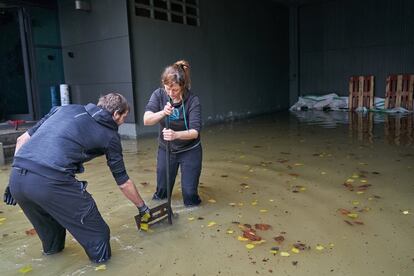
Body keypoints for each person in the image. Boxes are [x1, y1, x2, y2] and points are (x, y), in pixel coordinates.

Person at [3, 93, 150, 263]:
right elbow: (123, 182)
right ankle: (103, 267)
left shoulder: (62, 109)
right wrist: (142, 208)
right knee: (98, 234)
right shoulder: (110, 136)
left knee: (53, 239)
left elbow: (21, 140)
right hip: (50, 182)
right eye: (124, 116)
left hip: (17, 179)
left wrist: (13, 181)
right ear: (116, 114)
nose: (123, 121)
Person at [143, 60, 202, 207]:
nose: (171, 93)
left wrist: (176, 135)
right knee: (162, 192)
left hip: (190, 149)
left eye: (175, 90)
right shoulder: (159, 94)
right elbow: (146, 120)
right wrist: (163, 112)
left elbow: (195, 132)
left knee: (189, 196)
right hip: (167, 149)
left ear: (182, 86)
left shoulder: (193, 100)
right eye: (167, 89)